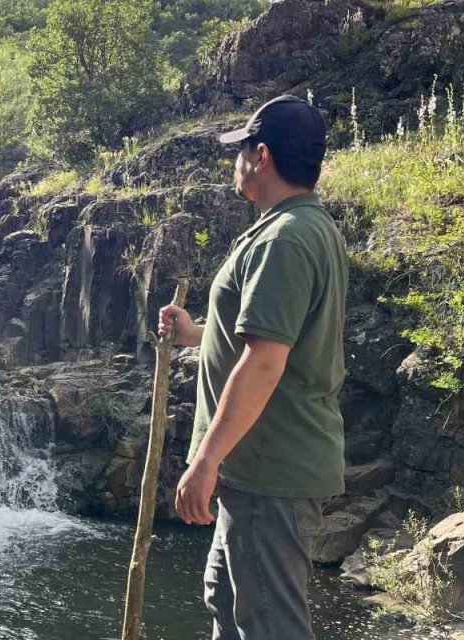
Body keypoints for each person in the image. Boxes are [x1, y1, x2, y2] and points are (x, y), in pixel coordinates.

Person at [158, 94, 347, 640]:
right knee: (228, 602)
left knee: (268, 626)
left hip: (269, 471)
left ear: (260, 156)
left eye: (239, 150)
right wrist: (195, 332)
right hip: (260, 472)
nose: (234, 162)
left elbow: (265, 361)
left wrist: (206, 460)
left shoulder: (285, 240)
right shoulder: (297, 228)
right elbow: (263, 337)